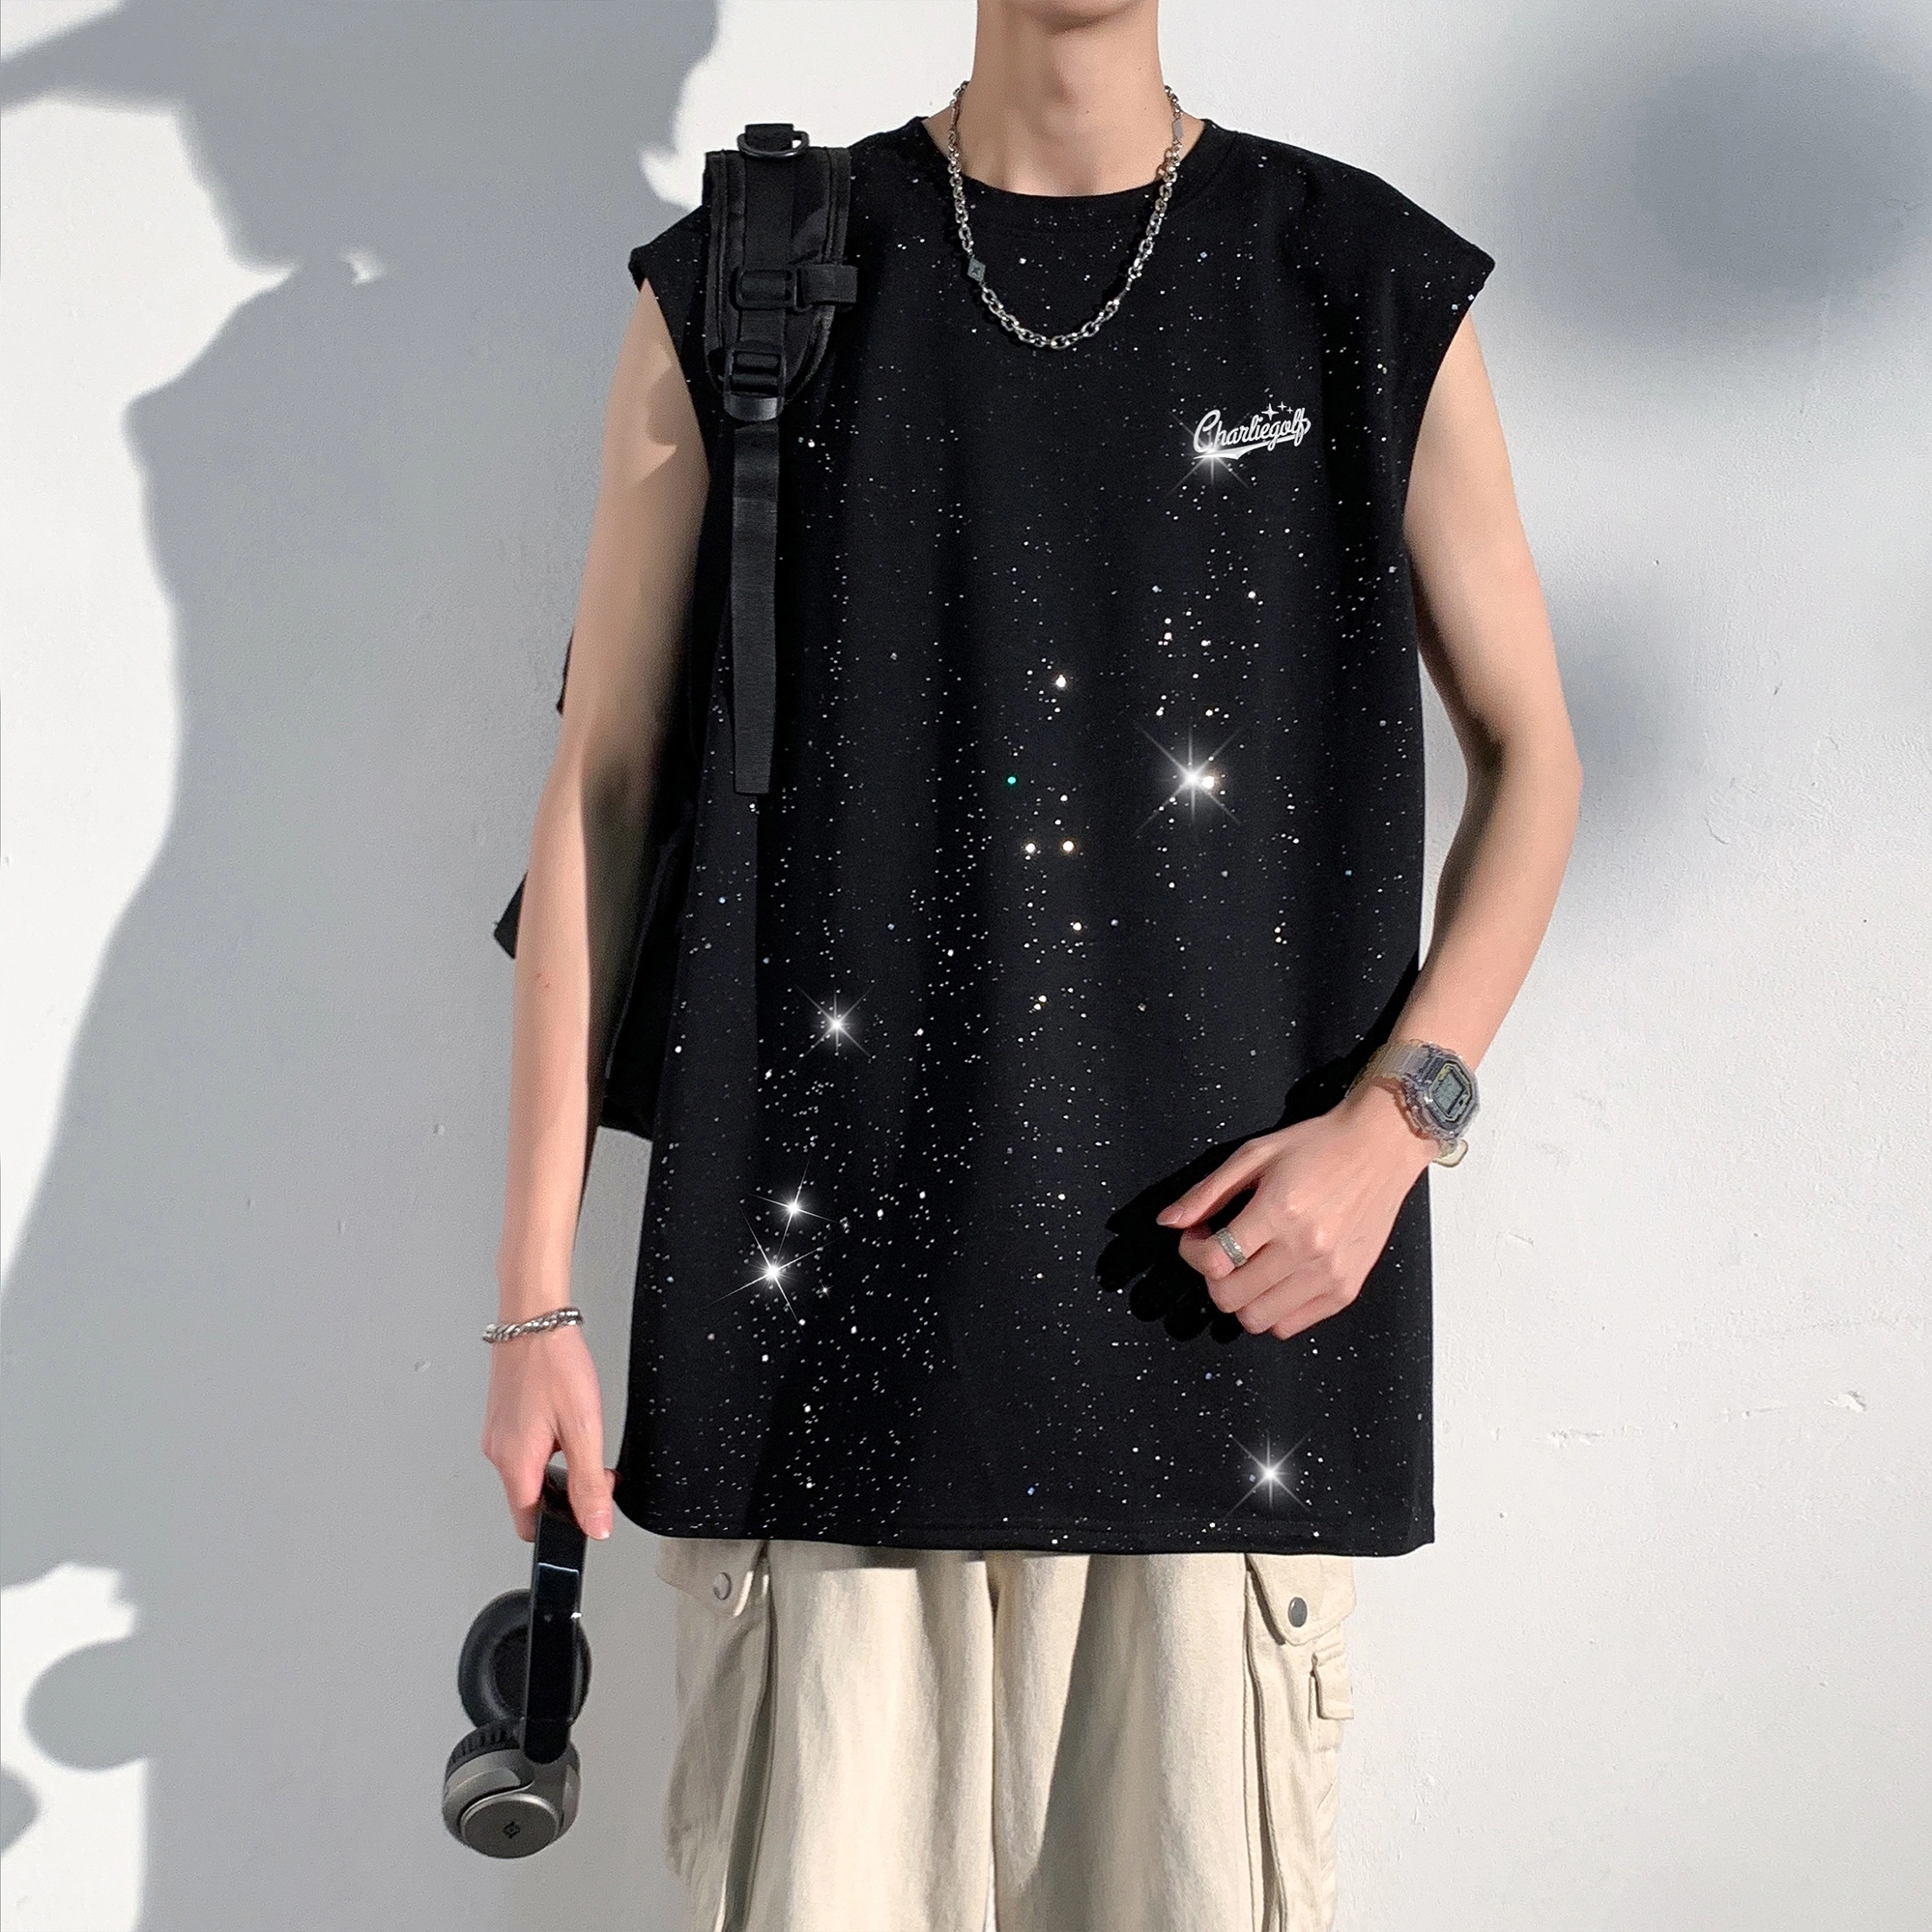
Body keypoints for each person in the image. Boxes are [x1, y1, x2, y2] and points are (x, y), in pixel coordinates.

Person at [480, 3, 1580, 1927]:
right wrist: (531, 1304)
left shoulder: (1355, 277)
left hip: (1215, 1369)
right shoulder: (746, 276)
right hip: (819, 1389)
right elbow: (603, 784)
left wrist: (1395, 1129)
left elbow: (1535, 754)